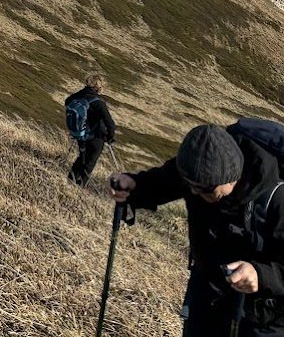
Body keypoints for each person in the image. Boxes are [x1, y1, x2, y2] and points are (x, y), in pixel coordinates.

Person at [112, 123, 284, 336]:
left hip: (263, 313)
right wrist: (137, 185)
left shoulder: (277, 198)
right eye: (191, 185)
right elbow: (167, 180)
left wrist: (261, 275)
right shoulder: (198, 168)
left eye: (204, 189)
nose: (194, 192)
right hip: (208, 291)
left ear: (231, 177)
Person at [65, 73, 117, 186]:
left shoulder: (76, 96)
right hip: (96, 136)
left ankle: (70, 180)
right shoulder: (98, 103)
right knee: (90, 162)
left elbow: (67, 102)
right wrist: (110, 136)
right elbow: (110, 124)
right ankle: (79, 186)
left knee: (82, 157)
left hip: (80, 133)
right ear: (98, 87)